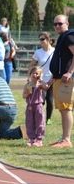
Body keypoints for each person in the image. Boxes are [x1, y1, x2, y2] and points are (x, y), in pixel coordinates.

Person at [48, 14, 74, 148]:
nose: (57, 26)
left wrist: (70, 72)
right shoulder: (63, 37)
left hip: (66, 80)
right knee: (63, 109)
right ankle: (64, 138)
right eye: (55, 24)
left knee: (66, 108)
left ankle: (67, 139)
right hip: (59, 78)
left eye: (60, 23)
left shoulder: (69, 36)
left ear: (67, 23)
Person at [29, 31, 55, 124]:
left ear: (49, 40)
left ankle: (48, 119)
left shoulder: (55, 51)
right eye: (40, 39)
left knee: (50, 100)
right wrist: (30, 76)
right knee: (41, 100)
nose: (40, 41)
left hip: (52, 79)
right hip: (41, 79)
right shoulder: (38, 52)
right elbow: (32, 65)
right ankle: (39, 117)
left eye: (42, 39)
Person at [23, 66, 46, 147]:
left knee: (39, 122)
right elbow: (24, 95)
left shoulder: (40, 85)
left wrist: (41, 79)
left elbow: (46, 87)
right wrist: (27, 94)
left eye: (37, 73)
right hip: (29, 106)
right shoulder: (27, 85)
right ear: (30, 74)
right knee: (29, 122)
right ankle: (31, 138)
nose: (35, 75)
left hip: (38, 105)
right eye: (33, 73)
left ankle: (39, 139)